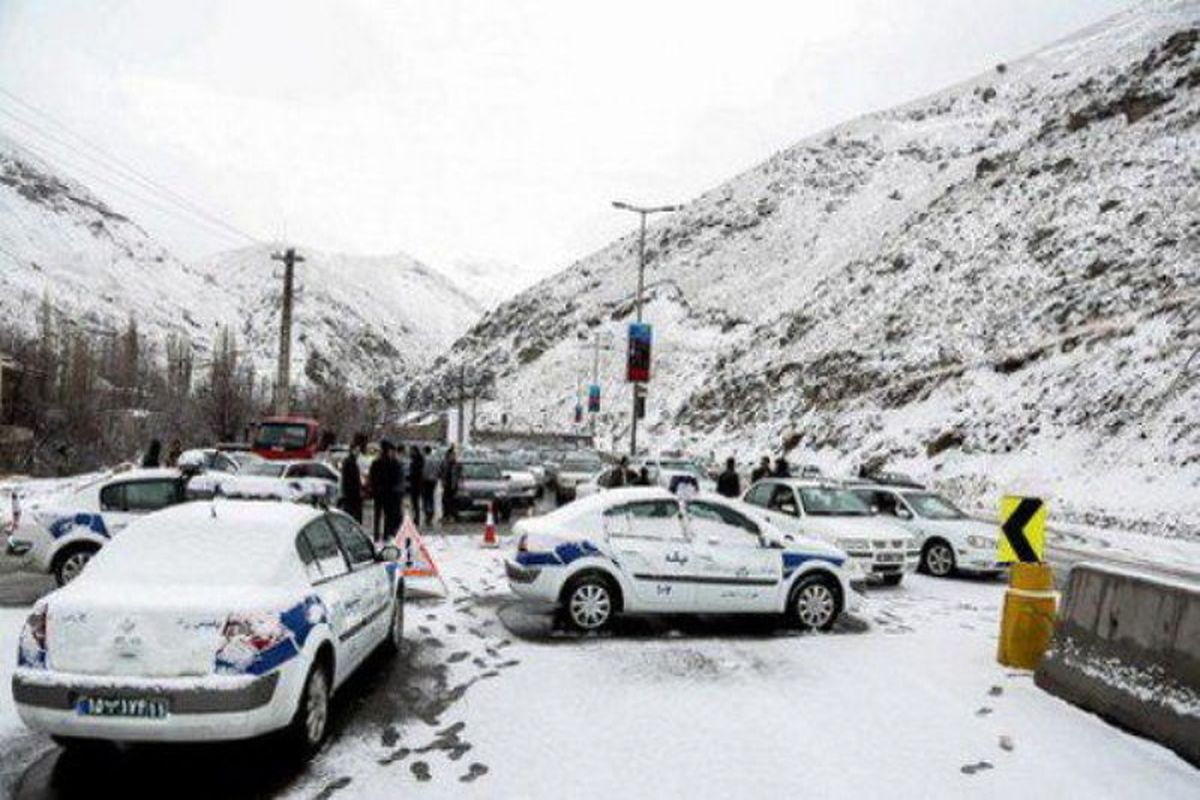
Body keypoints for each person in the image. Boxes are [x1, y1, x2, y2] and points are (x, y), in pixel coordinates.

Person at [369, 440, 404, 543]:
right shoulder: (393, 463)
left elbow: (372, 477)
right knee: (387, 516)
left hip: (379, 493)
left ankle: (377, 536)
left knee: (378, 515)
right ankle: (385, 535)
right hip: (388, 494)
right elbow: (397, 478)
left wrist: (375, 488)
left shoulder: (376, 462)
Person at [340, 434, 365, 523]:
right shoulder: (349, 462)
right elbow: (350, 480)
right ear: (352, 450)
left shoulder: (352, 461)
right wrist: (358, 490)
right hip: (352, 495)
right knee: (353, 516)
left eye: (359, 450)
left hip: (352, 494)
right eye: (357, 450)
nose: (358, 452)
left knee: (353, 515)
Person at [441, 445, 462, 522]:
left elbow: (460, 474)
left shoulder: (457, 464)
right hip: (446, 485)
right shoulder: (445, 464)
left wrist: (458, 482)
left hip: (454, 485)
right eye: (451, 455)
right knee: (445, 501)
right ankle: (446, 515)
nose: (452, 457)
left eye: (453, 455)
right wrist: (443, 481)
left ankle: (454, 515)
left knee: (454, 501)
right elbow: (441, 472)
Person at [408, 445, 426, 528]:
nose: (410, 452)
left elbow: (416, 472)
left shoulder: (417, 460)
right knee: (414, 503)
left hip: (416, 484)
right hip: (415, 484)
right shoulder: (416, 460)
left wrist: (410, 476)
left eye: (411, 450)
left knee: (415, 503)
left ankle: (417, 519)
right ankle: (416, 518)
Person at [421, 445, 438, 523]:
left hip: (426, 480)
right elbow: (437, 470)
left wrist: (423, 478)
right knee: (431, 497)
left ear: (425, 451)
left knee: (426, 498)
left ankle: (428, 513)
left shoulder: (426, 459)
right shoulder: (434, 459)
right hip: (433, 480)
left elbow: (425, 471)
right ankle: (431, 512)